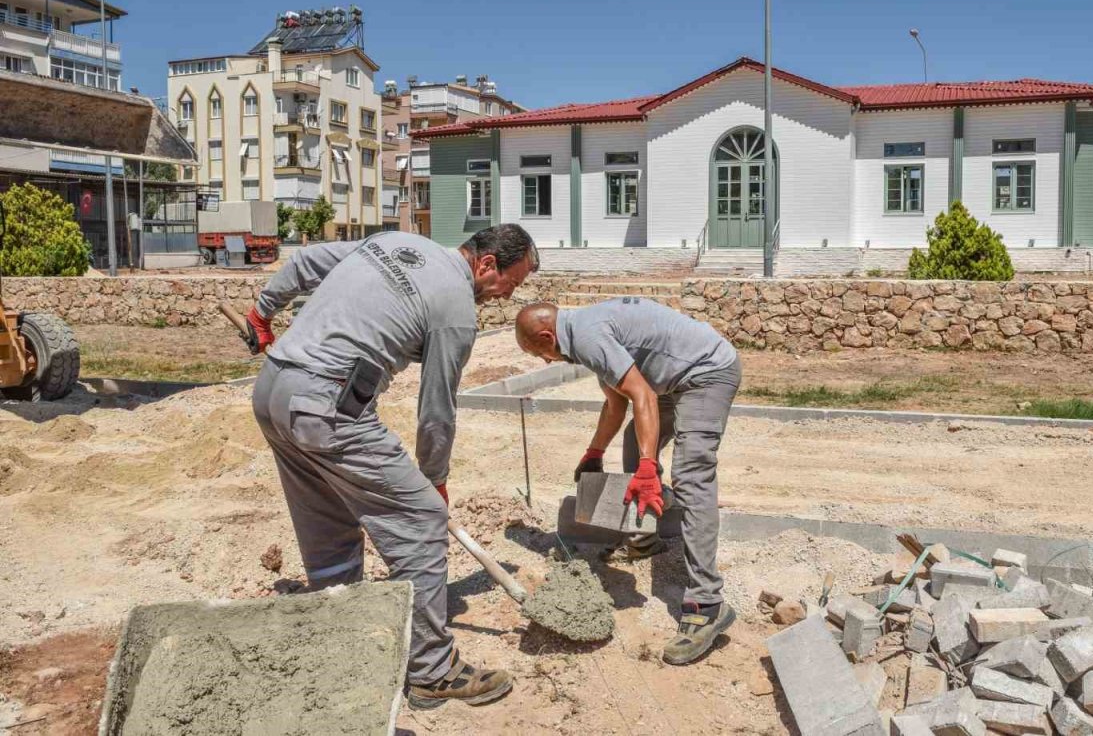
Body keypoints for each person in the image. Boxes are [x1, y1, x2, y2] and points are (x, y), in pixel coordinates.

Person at [247, 224, 538, 710]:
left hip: (273, 391)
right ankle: (432, 672)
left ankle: (342, 641)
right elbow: (436, 411)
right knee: (422, 520)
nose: (510, 295)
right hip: (327, 405)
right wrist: (435, 481)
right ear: (487, 264)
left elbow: (301, 265)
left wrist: (262, 313)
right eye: (513, 282)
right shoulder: (458, 311)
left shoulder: (396, 243)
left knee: (329, 524)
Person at [513, 297, 741, 665]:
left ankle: (707, 604)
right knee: (637, 441)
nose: (543, 362)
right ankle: (642, 540)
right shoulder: (582, 333)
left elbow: (643, 396)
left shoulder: (586, 337)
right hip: (672, 379)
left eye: (539, 354)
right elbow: (616, 404)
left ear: (546, 337)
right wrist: (593, 453)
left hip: (706, 373)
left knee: (691, 476)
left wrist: (649, 470)